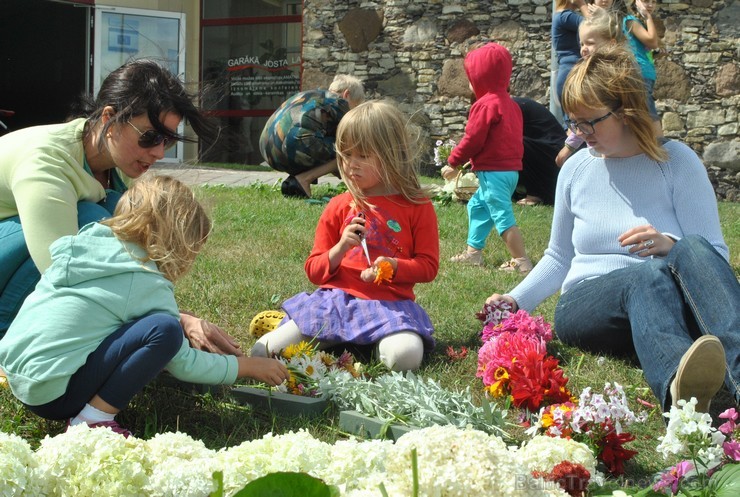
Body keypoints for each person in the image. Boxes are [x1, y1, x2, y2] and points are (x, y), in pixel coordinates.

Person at [486, 45, 739, 414]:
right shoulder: (576, 170)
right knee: (646, 275)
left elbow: (714, 257)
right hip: (588, 305)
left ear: (625, 111)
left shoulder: (677, 162)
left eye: (590, 121)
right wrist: (514, 300)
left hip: (666, 302)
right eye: (574, 122)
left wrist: (670, 245)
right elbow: (559, 257)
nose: (579, 133)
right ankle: (681, 397)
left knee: (693, 247)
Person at [0, 176, 289, 436]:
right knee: (165, 330)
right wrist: (246, 366)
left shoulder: (87, 247)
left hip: (23, 381)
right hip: (55, 395)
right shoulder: (145, 280)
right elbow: (185, 364)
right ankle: (93, 420)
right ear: (177, 243)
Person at [0, 59, 240, 357]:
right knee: (93, 220)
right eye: (150, 137)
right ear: (108, 119)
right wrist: (175, 320)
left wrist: (163, 312)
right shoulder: (47, 162)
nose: (158, 152)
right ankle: (8, 332)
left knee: (121, 217)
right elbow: (62, 272)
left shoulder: (106, 162)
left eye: (167, 140)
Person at [252, 100, 439, 372]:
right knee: (262, 351)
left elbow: (428, 266)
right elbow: (314, 272)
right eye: (346, 154)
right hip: (335, 304)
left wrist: (393, 266)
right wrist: (340, 248)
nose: (351, 165)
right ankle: (330, 335)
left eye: (363, 155)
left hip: (389, 307)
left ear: (390, 155)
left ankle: (356, 342)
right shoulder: (339, 206)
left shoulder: (417, 206)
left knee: (405, 358)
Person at [442, 42, 532, 273]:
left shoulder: (484, 105)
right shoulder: (512, 105)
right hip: (509, 172)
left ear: (481, 76)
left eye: (471, 76)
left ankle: (521, 261)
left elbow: (473, 139)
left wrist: (453, 162)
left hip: (493, 173)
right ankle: (473, 254)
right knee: (477, 206)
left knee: (503, 218)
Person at [259, 74, 365, 198]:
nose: (353, 112)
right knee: (347, 152)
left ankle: (293, 183)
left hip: (267, 151)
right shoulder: (339, 102)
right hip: (293, 147)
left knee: (322, 142)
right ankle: (304, 180)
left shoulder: (308, 95)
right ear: (346, 94)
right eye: (355, 106)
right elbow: (356, 139)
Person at [556, 8, 626, 166]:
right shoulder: (587, 75)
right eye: (581, 43)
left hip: (621, 152)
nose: (583, 49)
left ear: (611, 44)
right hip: (597, 152)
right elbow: (583, 119)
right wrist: (569, 146)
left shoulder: (619, 76)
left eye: (590, 43)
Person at [512, 97, 566, 206]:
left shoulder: (511, 107)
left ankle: (535, 194)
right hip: (546, 154)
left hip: (556, 158)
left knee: (514, 142)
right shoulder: (513, 104)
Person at [622, 0, 662, 134]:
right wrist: (649, 17)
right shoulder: (630, 20)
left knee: (647, 113)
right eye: (645, 1)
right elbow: (652, 41)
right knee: (648, 114)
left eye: (653, 2)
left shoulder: (640, 22)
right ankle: (658, 145)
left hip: (645, 74)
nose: (650, 5)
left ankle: (657, 147)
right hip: (639, 73)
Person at [552, 0, 591, 108]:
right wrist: (582, 4)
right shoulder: (565, 16)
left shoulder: (561, 15)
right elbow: (594, 26)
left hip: (568, 71)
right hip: (571, 70)